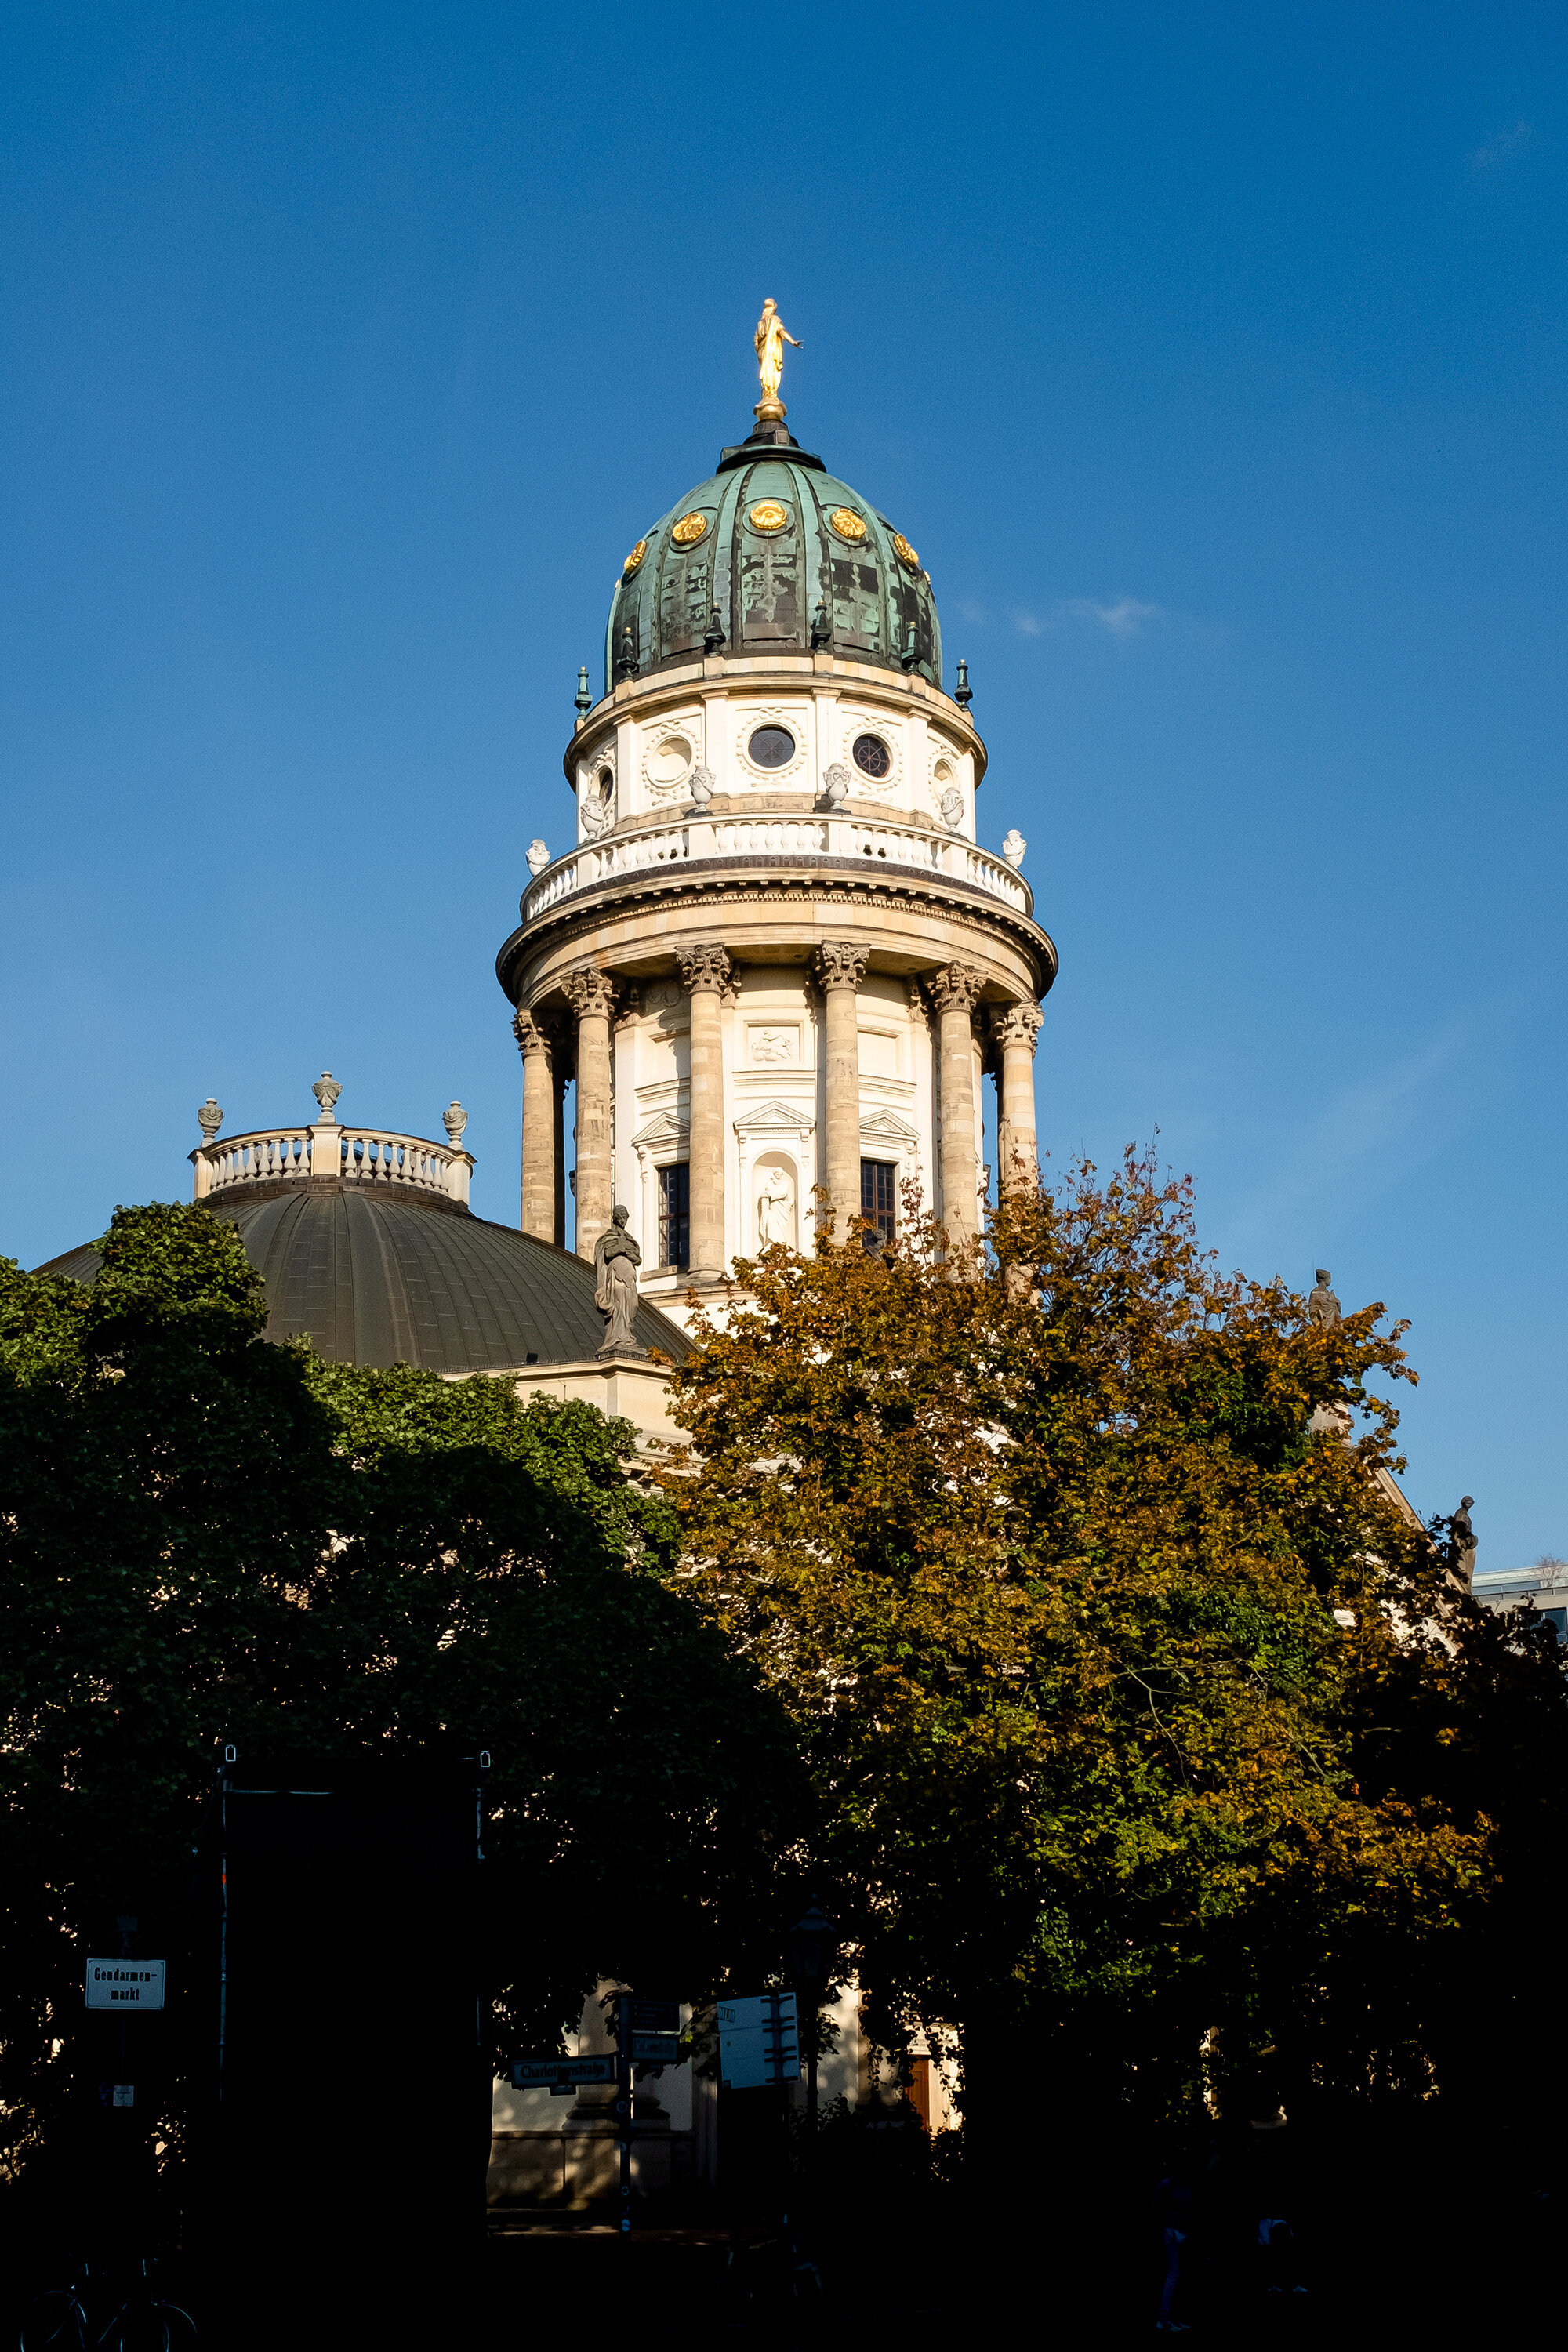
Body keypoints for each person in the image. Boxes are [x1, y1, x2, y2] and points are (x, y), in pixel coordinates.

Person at [593, 1206, 642, 1354]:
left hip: (629, 1276)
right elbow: (607, 1253)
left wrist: (630, 1253)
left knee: (632, 1306)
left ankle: (626, 1335)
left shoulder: (629, 1239)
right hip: (616, 1275)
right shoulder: (609, 1237)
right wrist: (621, 1248)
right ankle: (617, 1337)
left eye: (625, 1217)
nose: (623, 1220)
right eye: (620, 1216)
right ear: (614, 1217)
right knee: (618, 1304)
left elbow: (637, 1259)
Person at [1152, 2170, 1193, 2332]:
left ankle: (1173, 2317)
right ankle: (1165, 2318)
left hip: (1182, 2232)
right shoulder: (1168, 2184)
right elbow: (1156, 2205)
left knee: (1179, 2274)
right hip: (1171, 2230)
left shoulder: (1185, 2185)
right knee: (1174, 2273)